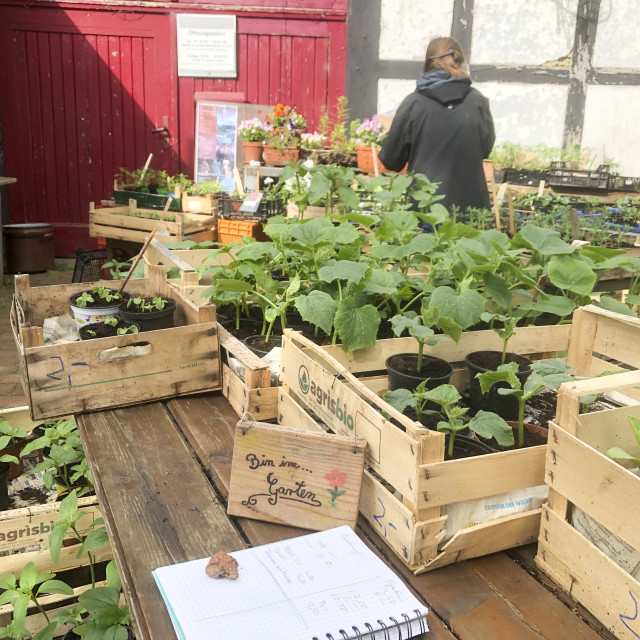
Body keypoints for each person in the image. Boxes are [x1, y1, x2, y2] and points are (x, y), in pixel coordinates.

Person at [378, 36, 495, 212]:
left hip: (426, 210)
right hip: (472, 213)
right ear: (460, 61)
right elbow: (485, 149)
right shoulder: (477, 102)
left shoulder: (413, 104)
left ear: (427, 64)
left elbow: (391, 160)